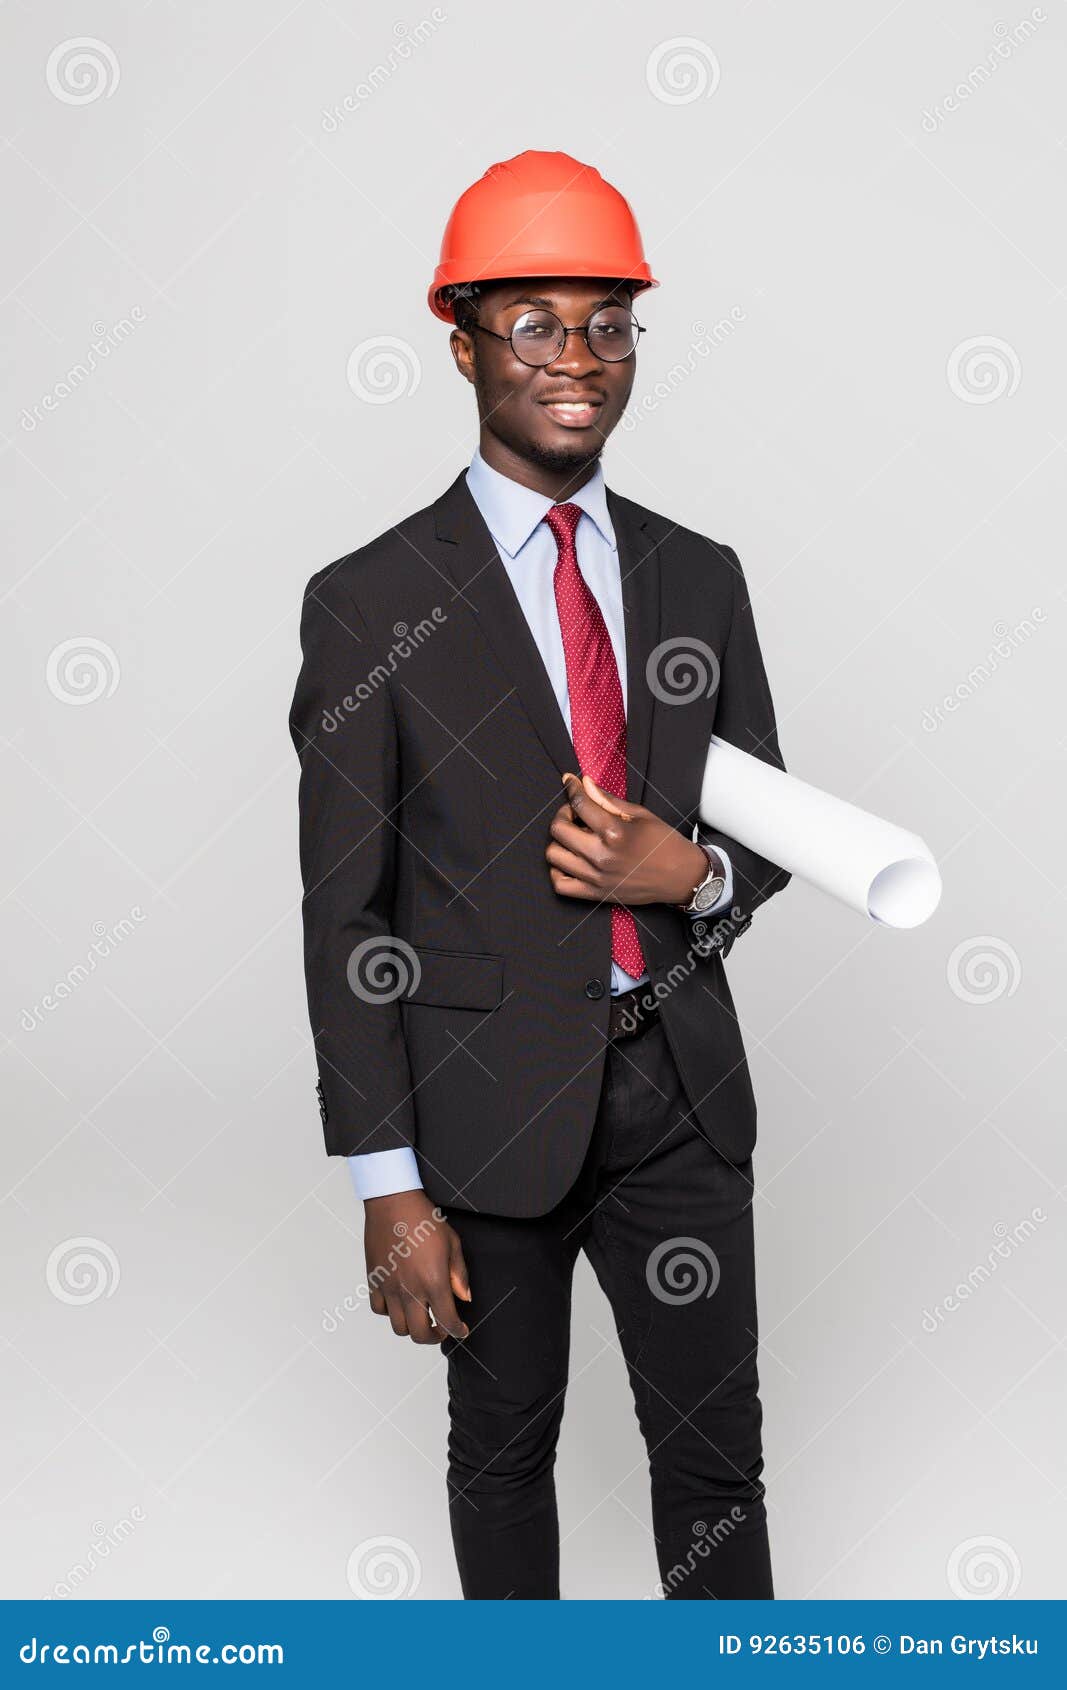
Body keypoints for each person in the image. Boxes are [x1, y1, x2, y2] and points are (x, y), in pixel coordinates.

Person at [290, 150, 791, 1599]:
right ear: (463, 343)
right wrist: (388, 1186)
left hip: (680, 1095)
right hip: (485, 1112)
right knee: (502, 1455)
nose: (578, 358)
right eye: (536, 324)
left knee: (715, 1462)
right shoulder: (372, 601)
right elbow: (347, 917)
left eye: (607, 322)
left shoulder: (701, 576)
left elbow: (762, 825)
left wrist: (687, 868)